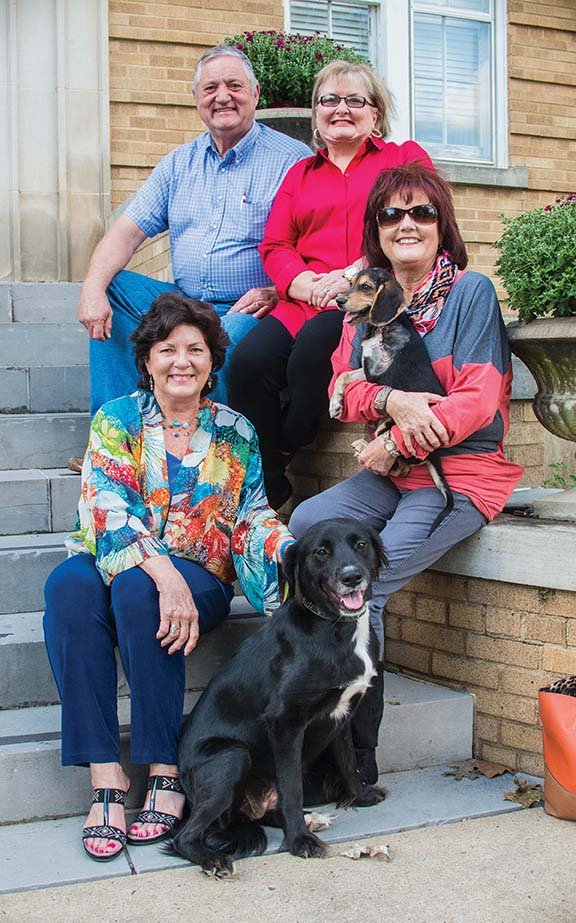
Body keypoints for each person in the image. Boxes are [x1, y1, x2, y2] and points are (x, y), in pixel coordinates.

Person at [289, 162, 524, 785]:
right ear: (376, 228)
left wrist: (397, 438)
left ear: (441, 223)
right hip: (393, 473)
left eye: (421, 212)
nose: (406, 224)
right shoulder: (366, 298)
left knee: (367, 588)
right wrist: (390, 404)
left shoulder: (468, 294)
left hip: (459, 476)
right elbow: (341, 391)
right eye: (391, 214)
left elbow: (477, 399)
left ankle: (356, 758)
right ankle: (310, 697)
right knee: (308, 522)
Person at [44, 294, 291, 862]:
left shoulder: (236, 432)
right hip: (121, 554)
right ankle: (106, 778)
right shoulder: (118, 419)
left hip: (199, 572)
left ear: (212, 361)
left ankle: (164, 770)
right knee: (67, 587)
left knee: (137, 592)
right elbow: (104, 507)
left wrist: (293, 553)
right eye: (168, 350)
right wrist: (161, 571)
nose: (182, 361)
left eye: (195, 350)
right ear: (148, 360)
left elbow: (252, 514)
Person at [226, 61, 432, 509]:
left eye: (355, 100)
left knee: (309, 359)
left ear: (375, 113)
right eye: (329, 100)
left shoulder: (403, 158)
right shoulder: (300, 174)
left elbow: (420, 220)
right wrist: (301, 283)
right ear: (316, 113)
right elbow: (276, 243)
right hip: (305, 299)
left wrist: (348, 278)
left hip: (366, 299)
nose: (341, 109)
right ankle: (273, 479)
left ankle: (287, 445)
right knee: (246, 362)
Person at [78, 45, 310, 419]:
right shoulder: (178, 163)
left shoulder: (292, 159)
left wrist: (279, 288)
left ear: (255, 93)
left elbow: (316, 245)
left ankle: (201, 444)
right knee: (111, 286)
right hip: (186, 300)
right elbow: (125, 230)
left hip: (251, 307)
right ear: (197, 100)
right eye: (210, 88)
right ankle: (117, 434)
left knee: (223, 340)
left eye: (234, 85)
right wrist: (91, 289)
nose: (222, 96)